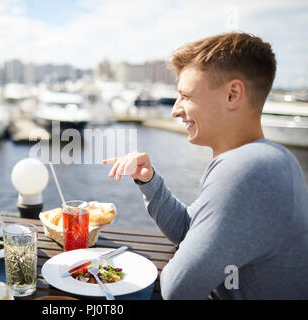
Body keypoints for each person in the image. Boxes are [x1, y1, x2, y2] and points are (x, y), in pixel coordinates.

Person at [103, 32, 308, 299]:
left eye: (185, 96)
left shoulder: (245, 169)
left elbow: (177, 289)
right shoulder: (271, 158)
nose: (175, 110)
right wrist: (149, 181)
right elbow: (190, 231)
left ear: (233, 95)